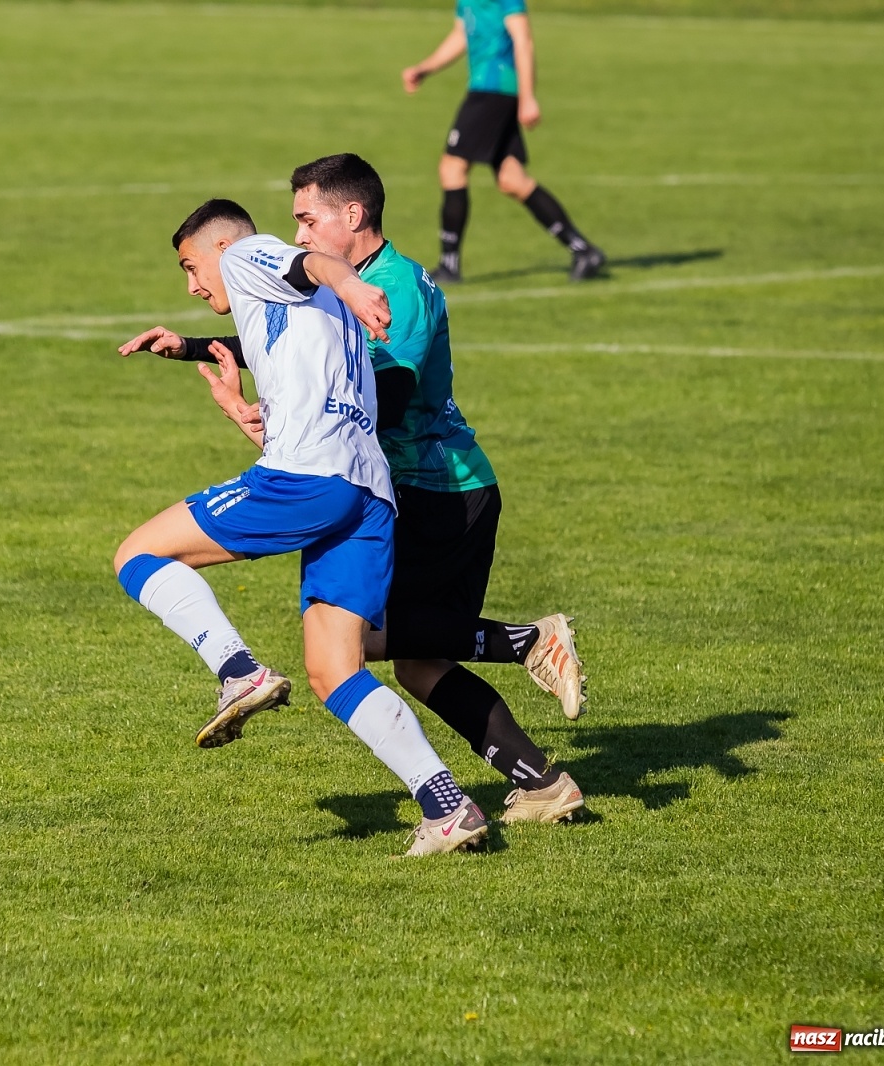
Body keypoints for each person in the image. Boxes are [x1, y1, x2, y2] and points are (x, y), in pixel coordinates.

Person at [121, 155, 586, 824]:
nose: (301, 235)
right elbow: (299, 353)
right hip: (375, 483)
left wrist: (287, 430)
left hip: (438, 487)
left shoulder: (391, 285)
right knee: (391, 664)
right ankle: (523, 788)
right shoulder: (341, 290)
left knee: (369, 645)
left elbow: (384, 397)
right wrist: (205, 358)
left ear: (352, 216)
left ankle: (526, 641)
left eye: (308, 220)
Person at [401, 0, 606, 284]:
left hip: (494, 90)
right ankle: (583, 250)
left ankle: (449, 265)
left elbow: (524, 40)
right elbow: (462, 35)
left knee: (452, 167)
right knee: (512, 178)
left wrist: (528, 96)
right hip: (489, 90)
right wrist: (425, 68)